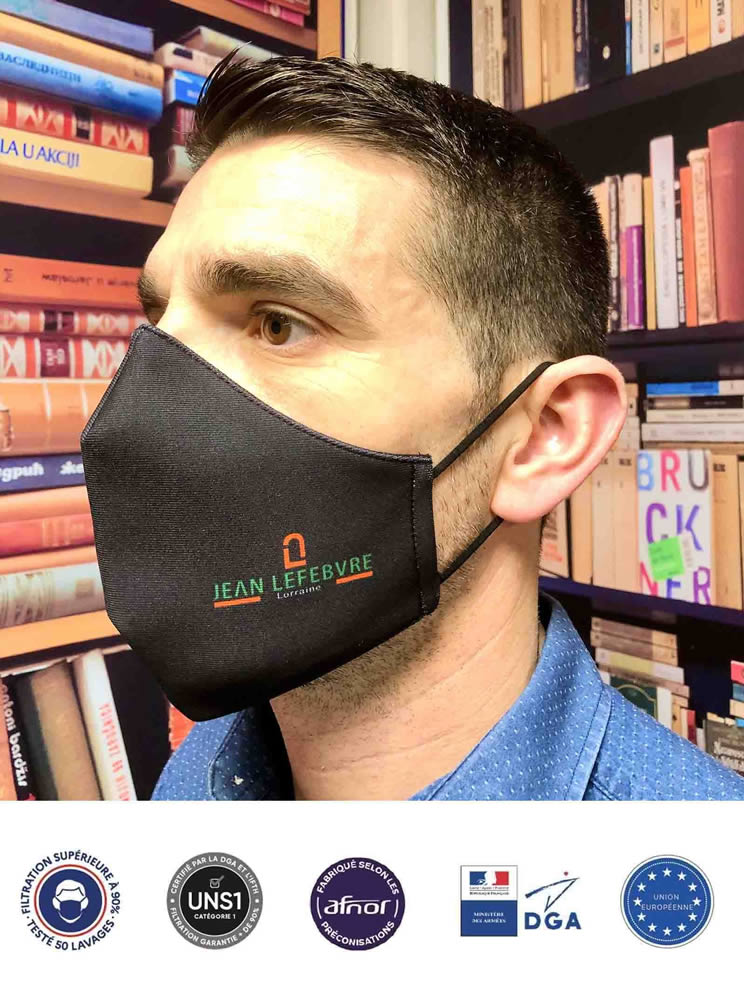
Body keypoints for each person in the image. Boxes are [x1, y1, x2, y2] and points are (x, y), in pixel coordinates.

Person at [114, 54, 743, 800]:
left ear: (545, 437)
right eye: (156, 325)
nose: (144, 407)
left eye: (278, 323)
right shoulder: (200, 771)